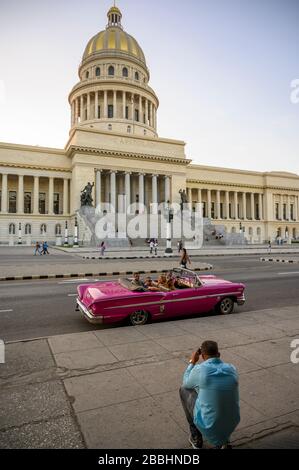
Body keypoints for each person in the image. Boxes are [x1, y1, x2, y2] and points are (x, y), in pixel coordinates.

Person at [179, 340, 240, 449]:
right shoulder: (232, 368)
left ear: (202, 356)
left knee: (184, 390)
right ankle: (224, 441)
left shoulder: (200, 369)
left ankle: (196, 437)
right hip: (233, 421)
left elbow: (186, 384)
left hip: (208, 423)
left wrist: (192, 362)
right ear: (219, 354)